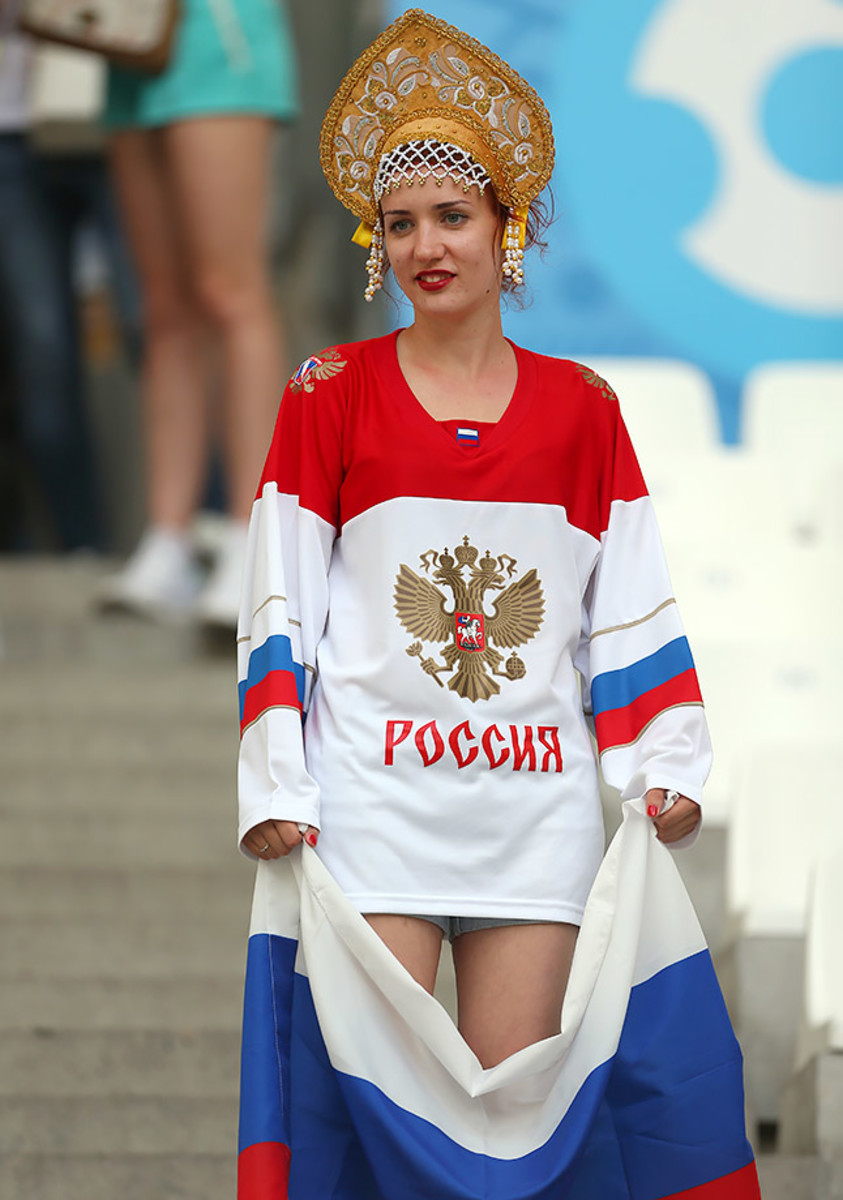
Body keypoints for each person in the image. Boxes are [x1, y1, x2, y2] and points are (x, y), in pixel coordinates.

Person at [235, 11, 758, 1199]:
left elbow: (626, 605)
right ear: (377, 246)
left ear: (506, 230)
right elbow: (279, 602)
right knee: (373, 1130)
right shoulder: (330, 397)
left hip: (534, 817)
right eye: (401, 223)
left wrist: (663, 755)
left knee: (520, 1135)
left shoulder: (582, 409)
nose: (428, 245)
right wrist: (275, 773)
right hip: (373, 805)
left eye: (454, 217)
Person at [99, 0, 298, 625]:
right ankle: (169, 538)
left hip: (220, 34)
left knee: (230, 292)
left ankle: (253, 536)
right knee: (164, 306)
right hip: (127, 36)